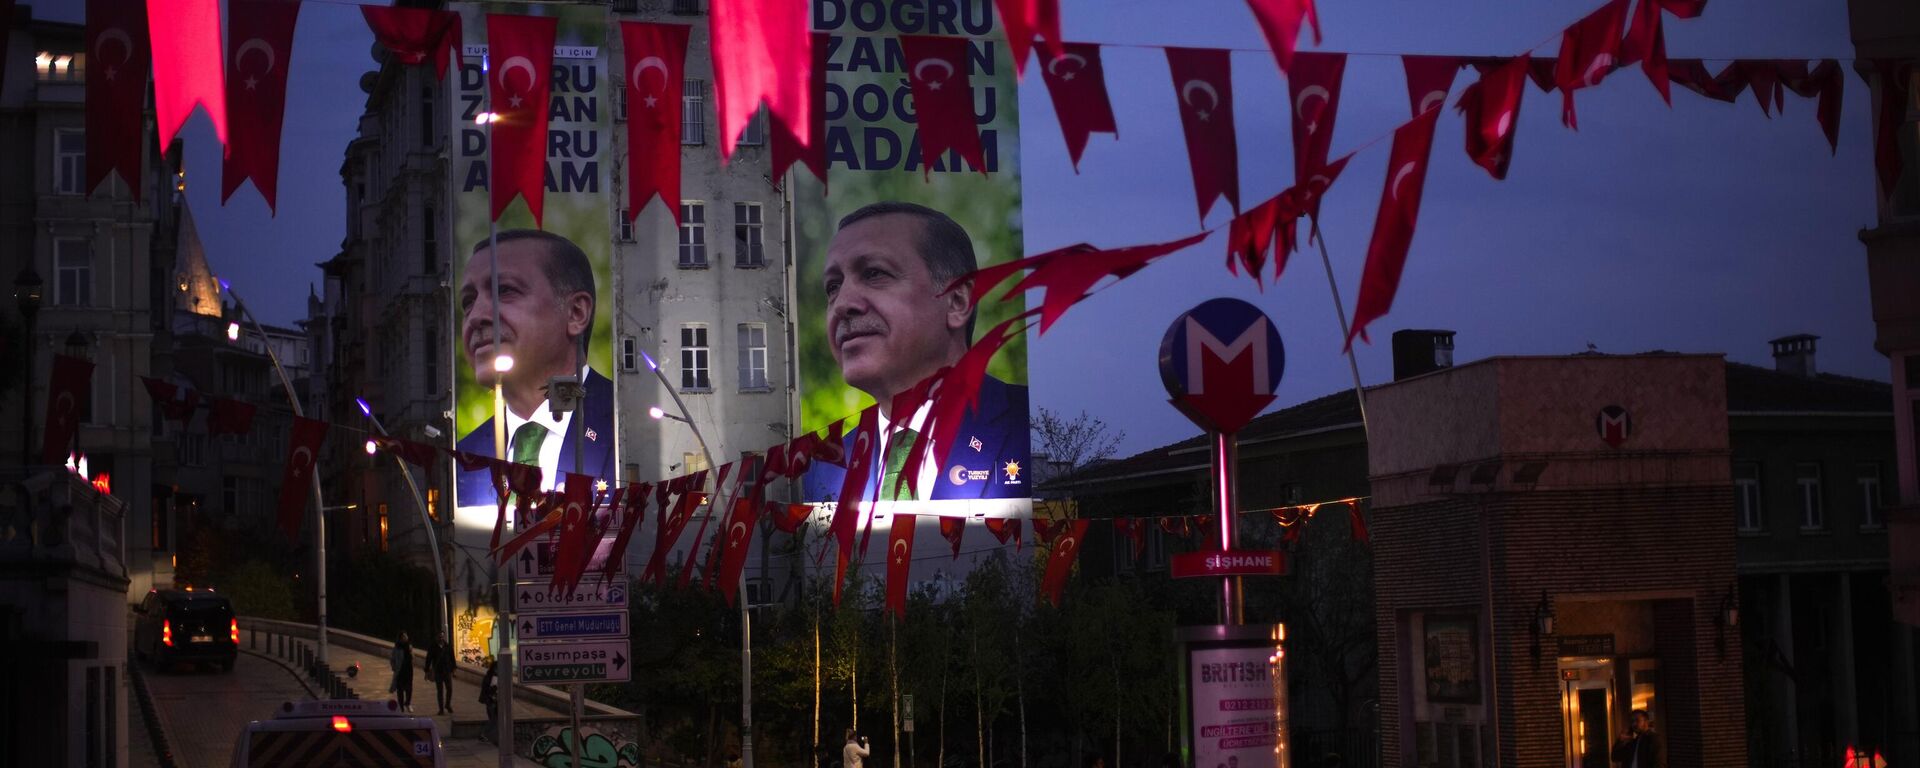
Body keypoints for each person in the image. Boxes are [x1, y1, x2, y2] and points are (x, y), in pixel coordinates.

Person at [803, 202, 1031, 503]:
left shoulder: (1033, 424)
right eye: (833, 286)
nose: (842, 303)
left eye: (873, 273)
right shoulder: (823, 470)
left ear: (957, 301)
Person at [455, 230, 615, 506]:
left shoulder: (627, 423)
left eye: (504, 291)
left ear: (576, 313)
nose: (476, 317)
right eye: (468, 303)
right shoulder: (464, 456)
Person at [424, 632, 455, 715]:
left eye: (442, 637)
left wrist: (453, 669)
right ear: (436, 638)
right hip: (438, 671)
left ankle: (447, 705)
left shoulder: (448, 646)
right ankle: (441, 709)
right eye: (439, 637)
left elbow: (452, 658)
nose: (441, 638)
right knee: (440, 691)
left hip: (447, 671)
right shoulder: (433, 647)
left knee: (450, 689)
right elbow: (428, 659)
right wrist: (426, 671)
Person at [389, 631, 415, 712]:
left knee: (409, 689)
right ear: (400, 638)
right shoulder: (396, 648)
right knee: (400, 690)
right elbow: (392, 659)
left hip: (408, 670)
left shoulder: (409, 646)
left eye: (406, 636)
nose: (406, 637)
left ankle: (407, 703)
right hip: (400, 671)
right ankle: (401, 706)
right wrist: (394, 667)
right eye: (404, 636)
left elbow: (412, 658)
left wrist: (411, 653)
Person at [479, 656, 499, 741]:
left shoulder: (489, 676)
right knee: (494, 720)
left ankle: (491, 735)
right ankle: (484, 734)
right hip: (492, 701)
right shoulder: (494, 677)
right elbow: (492, 690)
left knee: (494, 719)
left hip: (490, 701)